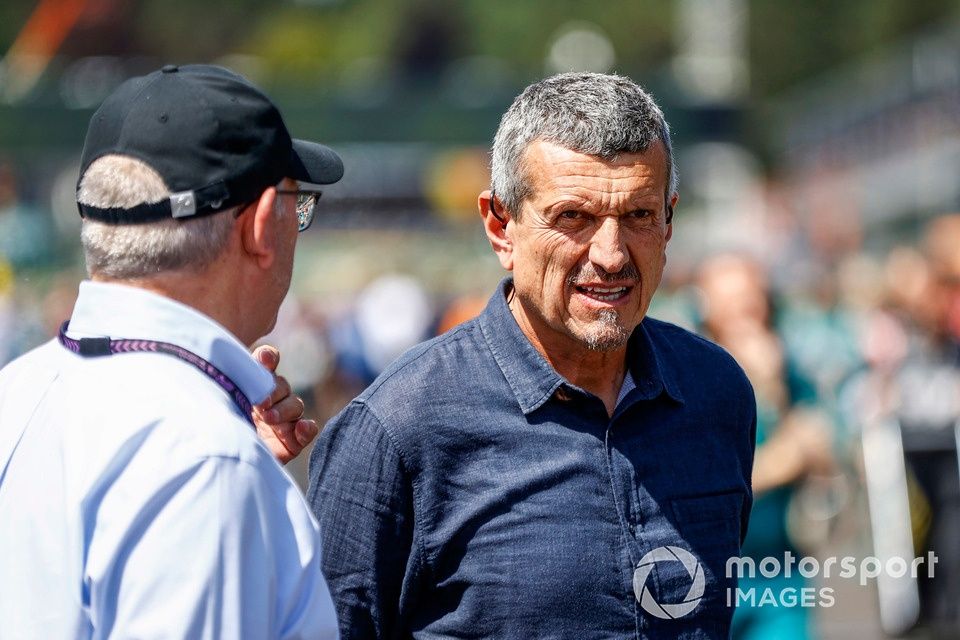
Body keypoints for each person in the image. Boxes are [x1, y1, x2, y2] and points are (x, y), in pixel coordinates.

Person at [309, 72, 756, 638]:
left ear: (669, 220)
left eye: (639, 216)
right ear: (500, 226)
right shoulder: (399, 427)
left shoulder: (715, 392)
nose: (611, 254)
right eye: (574, 218)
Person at [0, 64, 342, 639]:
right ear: (259, 226)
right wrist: (229, 477)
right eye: (295, 202)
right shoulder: (205, 460)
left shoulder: (18, 390)